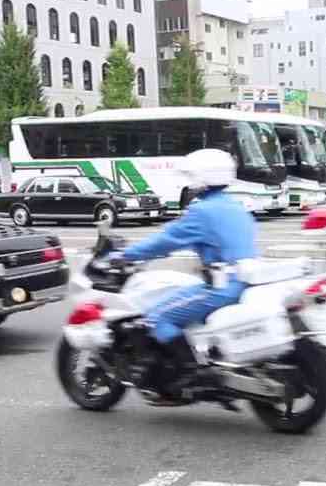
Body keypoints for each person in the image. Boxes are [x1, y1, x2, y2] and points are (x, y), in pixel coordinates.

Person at [108, 149, 257, 400]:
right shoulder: (234, 206)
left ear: (201, 178)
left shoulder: (203, 211)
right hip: (244, 281)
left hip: (221, 288)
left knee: (156, 317)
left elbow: (165, 241)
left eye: (191, 176)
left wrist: (124, 256)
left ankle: (190, 372)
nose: (188, 182)